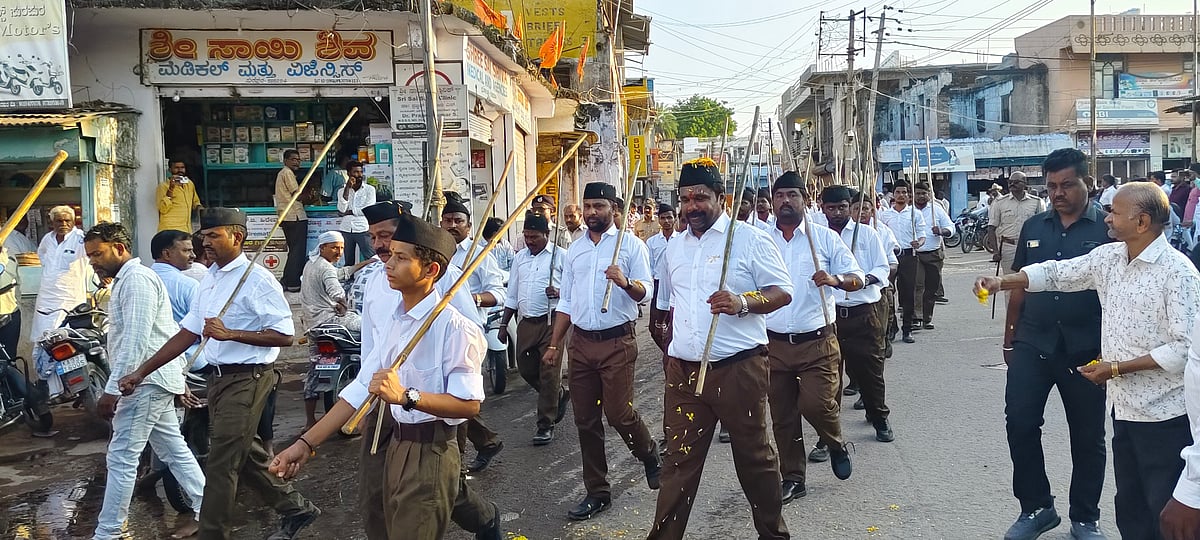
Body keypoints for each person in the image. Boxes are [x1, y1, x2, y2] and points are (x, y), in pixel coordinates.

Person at [975, 182, 1200, 540]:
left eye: (1114, 212)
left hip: (1165, 415)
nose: (1106, 216)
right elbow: (1056, 273)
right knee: (1132, 511)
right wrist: (1002, 281)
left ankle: (1086, 517)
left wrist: (1115, 369)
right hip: (1124, 410)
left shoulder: (1178, 274)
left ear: (1142, 222)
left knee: (1166, 514)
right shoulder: (1110, 257)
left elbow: (1184, 351)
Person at [268, 212, 503, 540]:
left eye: (401, 258)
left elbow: (468, 405)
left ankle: (487, 521)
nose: (388, 263)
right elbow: (362, 386)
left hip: (432, 450)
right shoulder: (395, 321)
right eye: (390, 255)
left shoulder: (455, 329)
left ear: (431, 270)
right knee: (377, 515)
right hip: (395, 445)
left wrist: (407, 396)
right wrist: (305, 444)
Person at [118, 208, 319, 540]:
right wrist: (141, 372)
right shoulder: (209, 277)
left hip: (250, 378)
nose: (204, 242)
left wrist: (231, 333)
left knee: (222, 462)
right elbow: (188, 333)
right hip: (217, 378)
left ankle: (212, 533)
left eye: (213, 235)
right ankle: (296, 509)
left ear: (236, 237)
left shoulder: (256, 279)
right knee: (247, 456)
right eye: (203, 235)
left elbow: (285, 335)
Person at [646, 159, 792, 540]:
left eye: (701, 198)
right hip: (684, 373)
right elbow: (673, 302)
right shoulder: (674, 247)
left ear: (722, 198)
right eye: (685, 198)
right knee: (678, 463)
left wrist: (742, 302)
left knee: (754, 458)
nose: (692, 206)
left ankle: (773, 534)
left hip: (737, 369)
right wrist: (669, 345)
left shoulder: (748, 239)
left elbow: (782, 291)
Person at [981, 149, 1114, 540]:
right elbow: (1019, 283)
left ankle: (1085, 517)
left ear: (1087, 182)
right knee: (1020, 423)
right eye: (1052, 186)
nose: (1058, 193)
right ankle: (1037, 507)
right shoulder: (1035, 226)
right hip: (1033, 343)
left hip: (1087, 348)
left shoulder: (1107, 230)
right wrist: (1009, 338)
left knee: (1087, 435)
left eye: (1067, 184)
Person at [354, 200, 497, 540]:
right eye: (374, 239)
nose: (382, 250)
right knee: (377, 496)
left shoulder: (449, 307)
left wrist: (411, 392)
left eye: (388, 240)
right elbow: (369, 352)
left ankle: (485, 519)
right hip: (383, 407)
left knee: (436, 487)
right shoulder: (379, 287)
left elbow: (470, 347)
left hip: (430, 419)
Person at [542, 181, 660, 521]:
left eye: (599, 206)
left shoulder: (631, 246)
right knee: (585, 420)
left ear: (614, 210)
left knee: (619, 413)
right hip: (581, 343)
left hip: (617, 341)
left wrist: (625, 282)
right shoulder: (576, 249)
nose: (592, 212)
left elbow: (646, 292)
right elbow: (566, 301)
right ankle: (597, 491)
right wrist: (555, 345)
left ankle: (649, 453)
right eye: (588, 206)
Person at [84, 223, 206, 540]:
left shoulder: (136, 279)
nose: (93, 261)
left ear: (120, 248)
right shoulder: (129, 280)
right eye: (90, 256)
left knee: (123, 456)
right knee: (173, 450)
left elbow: (134, 343)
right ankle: (208, 508)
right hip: (151, 380)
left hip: (143, 382)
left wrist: (112, 391)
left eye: (97, 253)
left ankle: (108, 532)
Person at [765, 172, 865, 489]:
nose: (785, 201)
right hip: (773, 342)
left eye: (792, 195)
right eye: (779, 195)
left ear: (805, 200)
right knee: (782, 417)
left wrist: (835, 280)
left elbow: (857, 278)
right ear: (772, 200)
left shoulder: (823, 238)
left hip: (817, 340)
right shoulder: (761, 238)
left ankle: (834, 442)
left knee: (816, 405)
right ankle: (793, 478)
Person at [439, 192, 508, 474]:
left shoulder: (479, 253)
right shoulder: (435, 250)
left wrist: (471, 298)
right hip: (438, 334)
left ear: (468, 225)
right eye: (447, 220)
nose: (452, 225)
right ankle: (486, 441)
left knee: (458, 397)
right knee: (443, 395)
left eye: (458, 220)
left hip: (468, 334)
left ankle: (456, 465)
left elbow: (499, 292)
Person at [821, 186, 895, 443]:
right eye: (831, 207)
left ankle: (880, 418)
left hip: (863, 313)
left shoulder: (867, 234)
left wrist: (860, 280)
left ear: (849, 207)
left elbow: (882, 269)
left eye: (842, 206)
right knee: (829, 378)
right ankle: (827, 436)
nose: (837, 212)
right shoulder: (817, 237)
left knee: (871, 372)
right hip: (829, 317)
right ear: (822, 208)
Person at [497, 212, 567, 445]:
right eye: (526, 236)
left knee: (548, 373)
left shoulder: (561, 257)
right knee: (527, 370)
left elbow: (573, 291)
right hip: (526, 322)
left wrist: (558, 292)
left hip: (552, 321)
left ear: (546, 235)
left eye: (534, 236)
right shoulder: (520, 258)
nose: (529, 241)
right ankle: (557, 395)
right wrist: (504, 324)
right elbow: (512, 294)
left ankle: (545, 425)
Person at [300, 231, 361, 430]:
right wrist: (342, 305)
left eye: (342, 248)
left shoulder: (311, 265)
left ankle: (310, 420)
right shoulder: (326, 269)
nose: (339, 252)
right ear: (322, 248)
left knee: (313, 371)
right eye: (335, 247)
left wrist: (366, 263)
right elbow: (336, 289)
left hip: (313, 327)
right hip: (332, 322)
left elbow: (343, 272)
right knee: (371, 327)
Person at [31, 206, 91, 389]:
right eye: (59, 221)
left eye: (67, 221)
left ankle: (72, 387)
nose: (64, 224)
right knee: (41, 346)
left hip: (70, 302)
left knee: (64, 345)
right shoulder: (47, 240)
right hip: (45, 302)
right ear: (52, 222)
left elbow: (93, 258)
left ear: (74, 222)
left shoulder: (80, 239)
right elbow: (42, 257)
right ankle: (50, 389)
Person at [877, 181, 927, 343]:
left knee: (908, 293)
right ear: (893, 194)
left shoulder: (915, 214)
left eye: (904, 192)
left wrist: (919, 242)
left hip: (909, 256)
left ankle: (907, 329)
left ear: (908, 195)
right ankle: (892, 327)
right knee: (888, 293)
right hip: (890, 257)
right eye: (898, 192)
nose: (901, 195)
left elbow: (922, 234)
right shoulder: (884, 215)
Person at [988, 172, 1047, 282]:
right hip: (1009, 247)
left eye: (1016, 182)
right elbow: (991, 228)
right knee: (1010, 284)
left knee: (1032, 282)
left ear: (1025, 183)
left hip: (1031, 247)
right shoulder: (1000, 203)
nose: (1012, 184)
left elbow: (1043, 228)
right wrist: (995, 252)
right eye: (1010, 182)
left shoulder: (1037, 202)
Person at [912, 182, 954, 327]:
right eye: (918, 193)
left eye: (924, 193)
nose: (921, 196)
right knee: (918, 286)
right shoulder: (909, 211)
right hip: (915, 254)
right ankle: (916, 317)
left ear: (929, 194)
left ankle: (926, 317)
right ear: (913, 195)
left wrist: (942, 231)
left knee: (931, 288)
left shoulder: (936, 210)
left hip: (934, 254)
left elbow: (950, 227)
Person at [150, 230, 199, 324]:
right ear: (167, 254)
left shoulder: (141, 279)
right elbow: (198, 325)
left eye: (192, 250)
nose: (193, 255)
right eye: (186, 251)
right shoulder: (188, 285)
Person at [645, 203, 677, 352]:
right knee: (655, 327)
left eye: (669, 217)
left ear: (675, 219)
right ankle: (667, 352)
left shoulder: (681, 240)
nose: (666, 221)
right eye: (663, 218)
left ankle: (675, 353)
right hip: (658, 286)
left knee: (674, 322)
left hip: (676, 285)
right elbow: (649, 266)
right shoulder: (652, 242)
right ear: (659, 220)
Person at [276, 149, 307, 292]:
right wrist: (310, 195)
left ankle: (287, 280)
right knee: (297, 251)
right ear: (286, 161)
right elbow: (297, 195)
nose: (297, 162)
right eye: (293, 159)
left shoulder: (284, 173)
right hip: (294, 216)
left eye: (298, 159)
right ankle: (293, 282)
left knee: (293, 250)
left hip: (288, 216)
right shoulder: (287, 173)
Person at [336, 160, 376, 265]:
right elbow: (341, 209)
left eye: (360, 172)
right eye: (356, 172)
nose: (359, 175)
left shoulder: (369, 190)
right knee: (348, 260)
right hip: (346, 228)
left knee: (371, 257)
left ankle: (373, 278)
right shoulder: (342, 191)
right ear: (349, 173)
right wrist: (347, 188)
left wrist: (350, 212)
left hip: (363, 228)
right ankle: (349, 279)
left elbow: (369, 209)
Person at [157, 159, 203, 233]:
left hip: (186, 228)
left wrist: (201, 210)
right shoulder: (163, 186)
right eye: (176, 168)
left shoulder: (189, 184)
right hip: (170, 228)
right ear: (170, 170)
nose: (180, 170)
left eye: (182, 167)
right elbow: (163, 209)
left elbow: (195, 202)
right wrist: (171, 188)